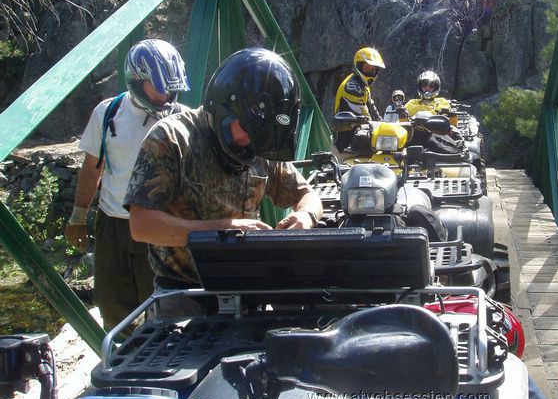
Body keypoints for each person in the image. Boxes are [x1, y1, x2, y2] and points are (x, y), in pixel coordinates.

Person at [125, 47, 323, 316]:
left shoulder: (259, 145)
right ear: (222, 110)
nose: (250, 141)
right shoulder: (172, 138)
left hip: (247, 289)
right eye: (246, 130)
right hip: (183, 293)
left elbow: (308, 195)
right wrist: (222, 231)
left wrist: (306, 216)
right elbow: (141, 225)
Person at [66, 39, 190, 330]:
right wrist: (78, 217)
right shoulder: (108, 113)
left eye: (171, 88)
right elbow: (92, 168)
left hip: (160, 224)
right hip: (113, 224)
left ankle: (160, 355)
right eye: (158, 87)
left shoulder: (183, 119)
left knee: (161, 309)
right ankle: (122, 354)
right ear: (136, 80)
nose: (165, 95)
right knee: (113, 306)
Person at [333, 47, 385, 150]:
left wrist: (385, 125)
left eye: (373, 69)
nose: (370, 72)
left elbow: (373, 111)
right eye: (367, 68)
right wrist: (380, 129)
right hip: (346, 146)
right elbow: (365, 116)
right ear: (359, 66)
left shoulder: (363, 86)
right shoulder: (352, 86)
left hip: (363, 142)